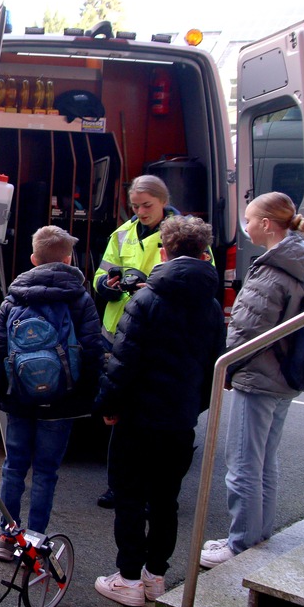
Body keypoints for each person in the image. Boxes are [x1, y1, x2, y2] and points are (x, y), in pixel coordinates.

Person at [92, 215, 225, 607]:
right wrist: (192, 407)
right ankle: (155, 575)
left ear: (163, 252)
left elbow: (123, 362)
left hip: (138, 418)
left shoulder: (145, 300)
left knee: (130, 498)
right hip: (180, 419)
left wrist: (108, 406)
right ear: (204, 255)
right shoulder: (213, 306)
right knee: (166, 500)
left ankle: (128, 577)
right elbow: (212, 367)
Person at [200, 192, 304, 568]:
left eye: (249, 220)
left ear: (267, 224)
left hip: (260, 375)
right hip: (283, 374)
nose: (245, 227)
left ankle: (241, 543)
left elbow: (247, 328)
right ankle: (257, 533)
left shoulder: (271, 268)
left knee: (243, 463)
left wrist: (227, 367)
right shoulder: (299, 260)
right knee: (265, 459)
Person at [0, 225, 104, 556]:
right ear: (68, 259)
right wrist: (88, 395)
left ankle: (7, 538)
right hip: (63, 399)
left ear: (33, 259)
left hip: (20, 397)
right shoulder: (80, 298)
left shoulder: (14, 296)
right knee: (46, 472)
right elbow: (93, 349)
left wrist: (0, 388)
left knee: (14, 465)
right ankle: (35, 541)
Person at [92, 175, 187, 509]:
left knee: (149, 418)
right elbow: (99, 275)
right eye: (135, 206)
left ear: (163, 200)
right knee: (119, 417)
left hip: (156, 333)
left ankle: (146, 489)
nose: (141, 211)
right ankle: (117, 486)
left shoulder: (182, 234)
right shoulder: (122, 233)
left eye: (147, 205)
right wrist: (109, 284)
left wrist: (154, 286)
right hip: (119, 332)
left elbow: (198, 278)